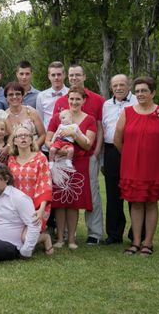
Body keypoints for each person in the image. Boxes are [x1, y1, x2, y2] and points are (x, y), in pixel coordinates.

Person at [114, 77, 159, 256]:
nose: (140, 94)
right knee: (137, 204)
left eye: (144, 91)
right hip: (132, 165)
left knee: (151, 202)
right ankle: (135, 242)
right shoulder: (127, 112)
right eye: (138, 91)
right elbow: (118, 139)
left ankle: (148, 243)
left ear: (153, 93)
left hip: (154, 166)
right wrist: (131, 154)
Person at [53, 65, 104, 245]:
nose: (74, 78)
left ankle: (95, 233)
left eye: (78, 75)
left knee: (91, 194)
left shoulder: (97, 100)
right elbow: (54, 129)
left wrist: (95, 153)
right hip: (62, 157)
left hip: (86, 156)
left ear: (84, 76)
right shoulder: (60, 102)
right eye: (72, 75)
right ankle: (64, 234)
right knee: (64, 195)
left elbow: (99, 128)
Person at [46, 85, 97, 250]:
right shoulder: (58, 117)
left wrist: (75, 134)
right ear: (67, 100)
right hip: (60, 162)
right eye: (71, 99)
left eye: (78, 99)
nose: (74, 102)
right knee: (60, 202)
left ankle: (72, 238)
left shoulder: (89, 119)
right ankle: (60, 238)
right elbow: (48, 140)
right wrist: (58, 148)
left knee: (73, 202)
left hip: (78, 163)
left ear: (83, 101)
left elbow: (88, 145)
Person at [101, 74, 137, 245]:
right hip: (111, 151)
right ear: (111, 87)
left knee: (134, 193)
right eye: (115, 85)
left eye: (122, 84)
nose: (118, 88)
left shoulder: (138, 101)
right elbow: (104, 128)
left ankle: (137, 234)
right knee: (113, 194)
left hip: (132, 150)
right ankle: (114, 234)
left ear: (129, 85)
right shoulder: (106, 105)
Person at [8, 125, 53, 255]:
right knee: (12, 240)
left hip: (36, 206)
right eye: (19, 136)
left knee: (25, 239)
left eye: (26, 135)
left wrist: (41, 209)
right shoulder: (11, 160)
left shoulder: (40, 158)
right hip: (16, 207)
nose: (23, 138)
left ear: (31, 139)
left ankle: (45, 237)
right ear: (14, 141)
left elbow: (45, 184)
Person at [4, 82, 46, 148]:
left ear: (23, 96)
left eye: (18, 94)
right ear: (6, 98)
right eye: (11, 94)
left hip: (34, 151)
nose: (14, 97)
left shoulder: (31, 112)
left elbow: (43, 135)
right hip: (14, 152)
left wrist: (33, 148)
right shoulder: (3, 116)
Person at [36, 61, 68, 130]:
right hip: (48, 136)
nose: (56, 78)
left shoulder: (71, 94)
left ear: (64, 75)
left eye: (59, 74)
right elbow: (40, 120)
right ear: (49, 76)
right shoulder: (41, 96)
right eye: (53, 75)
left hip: (67, 136)